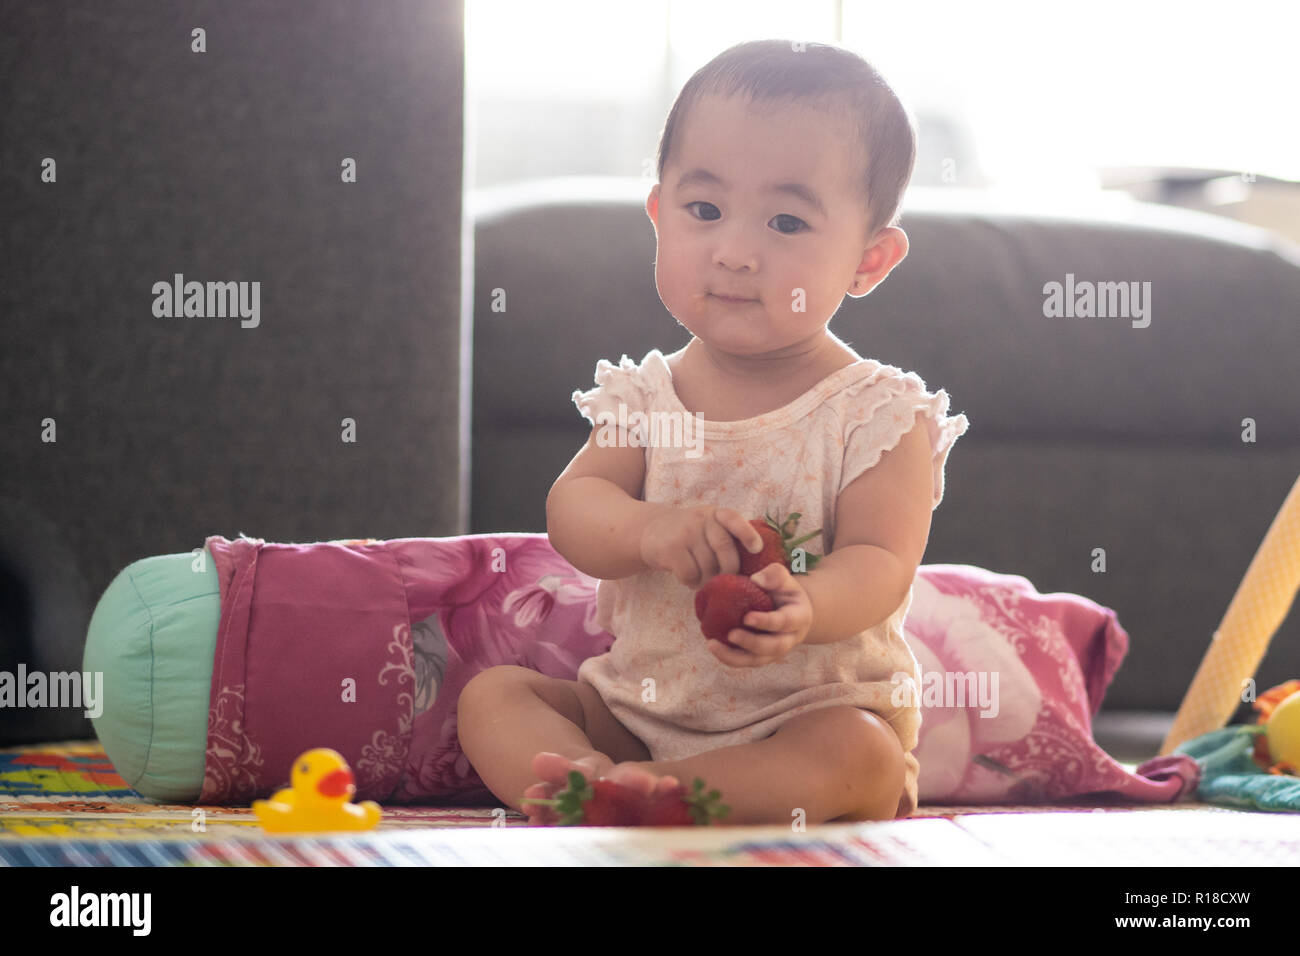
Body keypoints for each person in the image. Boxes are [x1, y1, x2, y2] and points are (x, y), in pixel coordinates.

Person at [458, 39, 968, 824]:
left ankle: (690, 802)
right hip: (635, 719)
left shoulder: (876, 414)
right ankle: (592, 784)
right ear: (659, 214)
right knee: (494, 695)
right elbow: (576, 508)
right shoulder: (645, 396)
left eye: (787, 222)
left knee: (861, 756)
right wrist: (651, 529)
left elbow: (881, 563)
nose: (734, 253)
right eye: (704, 211)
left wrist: (802, 606)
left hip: (807, 721)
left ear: (869, 260)